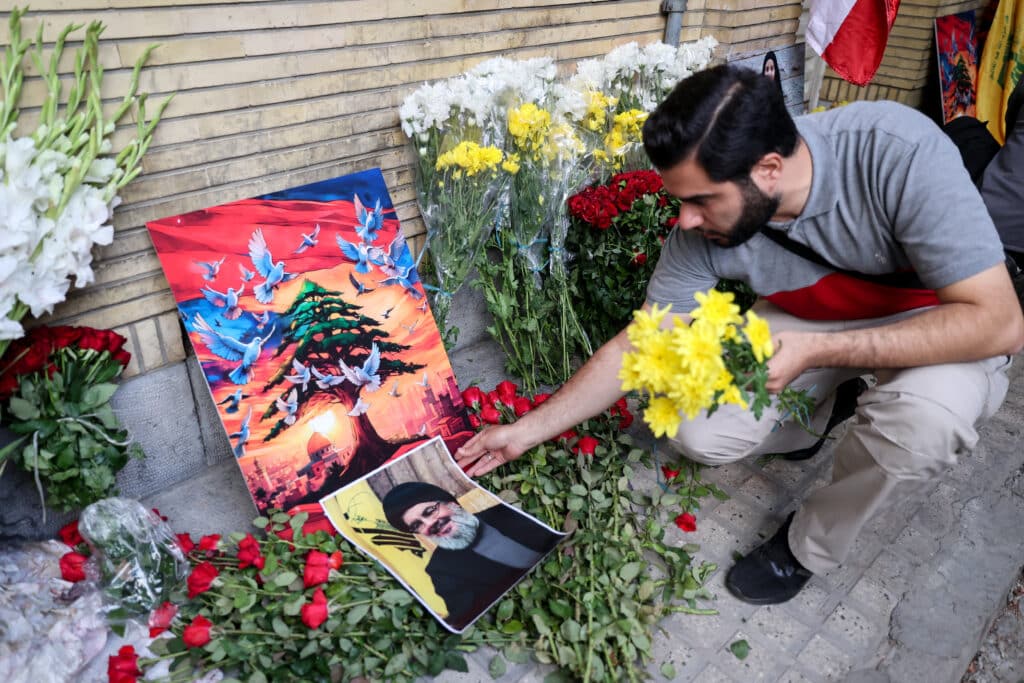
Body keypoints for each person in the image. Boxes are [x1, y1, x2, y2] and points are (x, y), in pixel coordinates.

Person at [456, 64, 1024, 605]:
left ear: (769, 169)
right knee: (694, 428)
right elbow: (640, 345)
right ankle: (817, 420)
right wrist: (527, 430)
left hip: (937, 320)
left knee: (920, 425)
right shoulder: (701, 231)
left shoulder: (894, 150)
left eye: (702, 200)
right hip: (815, 316)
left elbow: (998, 322)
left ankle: (806, 548)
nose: (685, 221)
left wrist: (822, 351)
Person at [382, 481, 560, 628]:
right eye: (417, 525)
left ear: (450, 503)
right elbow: (470, 617)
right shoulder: (440, 570)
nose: (431, 524)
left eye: (429, 511)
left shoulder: (505, 511)